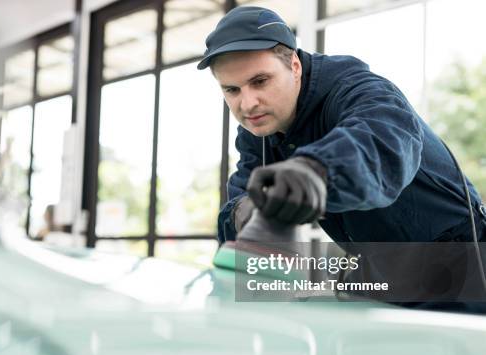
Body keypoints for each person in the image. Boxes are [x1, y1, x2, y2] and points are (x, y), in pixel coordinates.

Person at [197, 6, 486, 245]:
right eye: (232, 90)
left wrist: (312, 175)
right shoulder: (259, 128)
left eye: (260, 81)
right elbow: (243, 193)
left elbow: (379, 141)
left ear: (294, 66)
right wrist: (242, 215)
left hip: (462, 258)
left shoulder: (356, 89)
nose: (247, 104)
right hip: (386, 271)